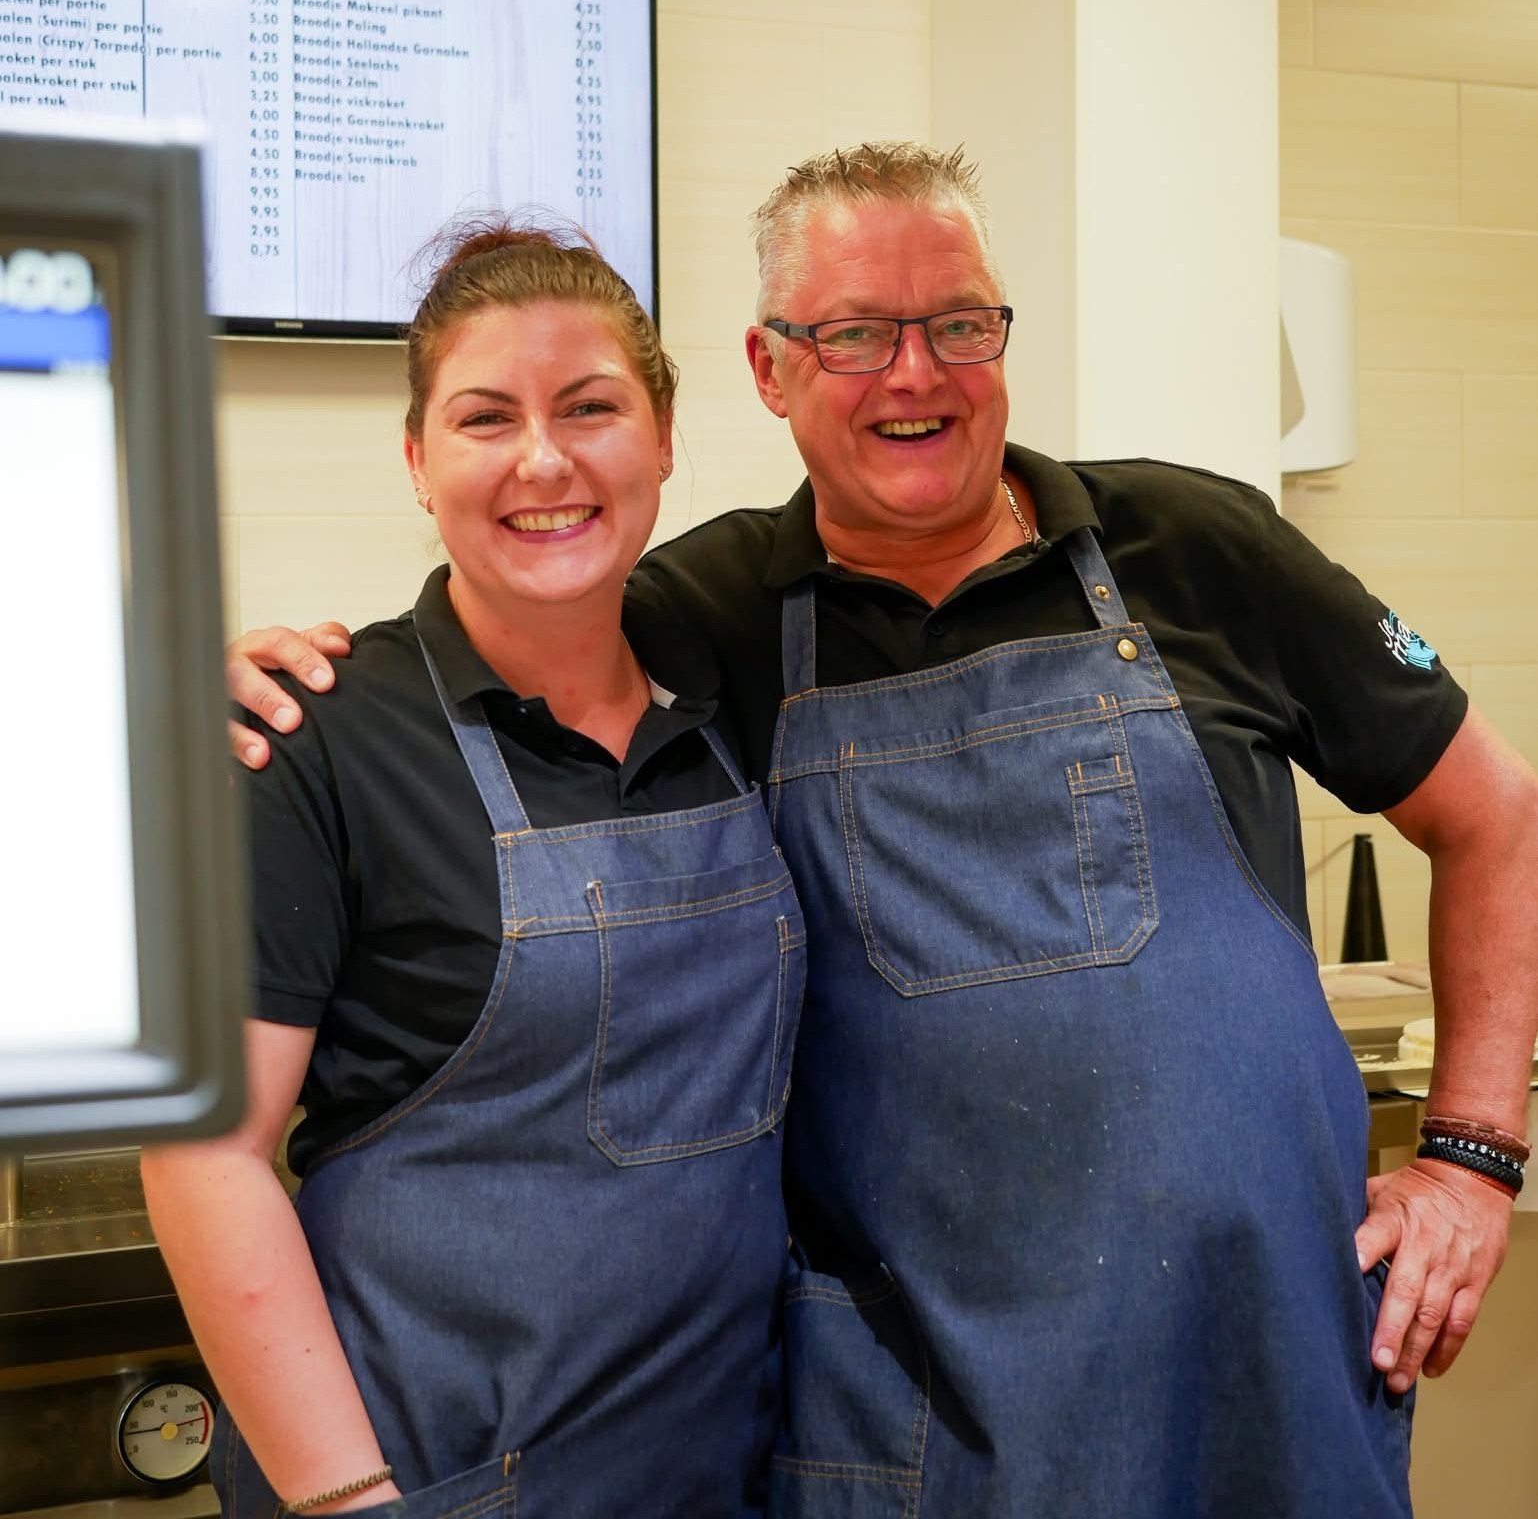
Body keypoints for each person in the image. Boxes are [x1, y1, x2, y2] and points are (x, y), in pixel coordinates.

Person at [226, 145, 1538, 1517]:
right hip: (938, 1426)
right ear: (768, 368)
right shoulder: (700, 616)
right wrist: (263, 677)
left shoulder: (1198, 546)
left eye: (957, 324)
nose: (914, 375)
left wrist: (1470, 1155)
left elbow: (1492, 810)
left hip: (1262, 1372)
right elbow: (510, 607)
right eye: (853, 333)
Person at [143, 220, 802, 1519]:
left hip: (716, 1469)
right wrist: (348, 1503)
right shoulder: (314, 736)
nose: (543, 460)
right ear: (416, 458)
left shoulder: (740, 690)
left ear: (664, 437)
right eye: (484, 417)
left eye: (591, 407)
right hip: (433, 1478)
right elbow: (203, 1151)